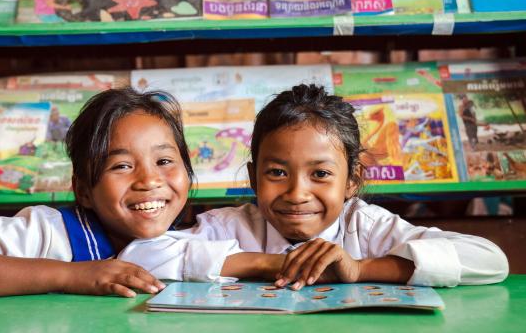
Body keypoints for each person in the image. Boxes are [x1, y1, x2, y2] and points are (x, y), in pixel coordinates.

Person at [0, 87, 282, 299]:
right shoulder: (47, 231)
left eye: (164, 161)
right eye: (121, 166)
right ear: (82, 189)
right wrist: (68, 275)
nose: (149, 180)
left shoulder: (182, 242)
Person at [180, 84, 508, 289]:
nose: (296, 193)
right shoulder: (231, 227)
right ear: (254, 178)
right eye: (277, 172)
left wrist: (360, 268)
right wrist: (268, 263)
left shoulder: (366, 227)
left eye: (320, 174)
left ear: (352, 181)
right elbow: (146, 253)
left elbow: (490, 260)